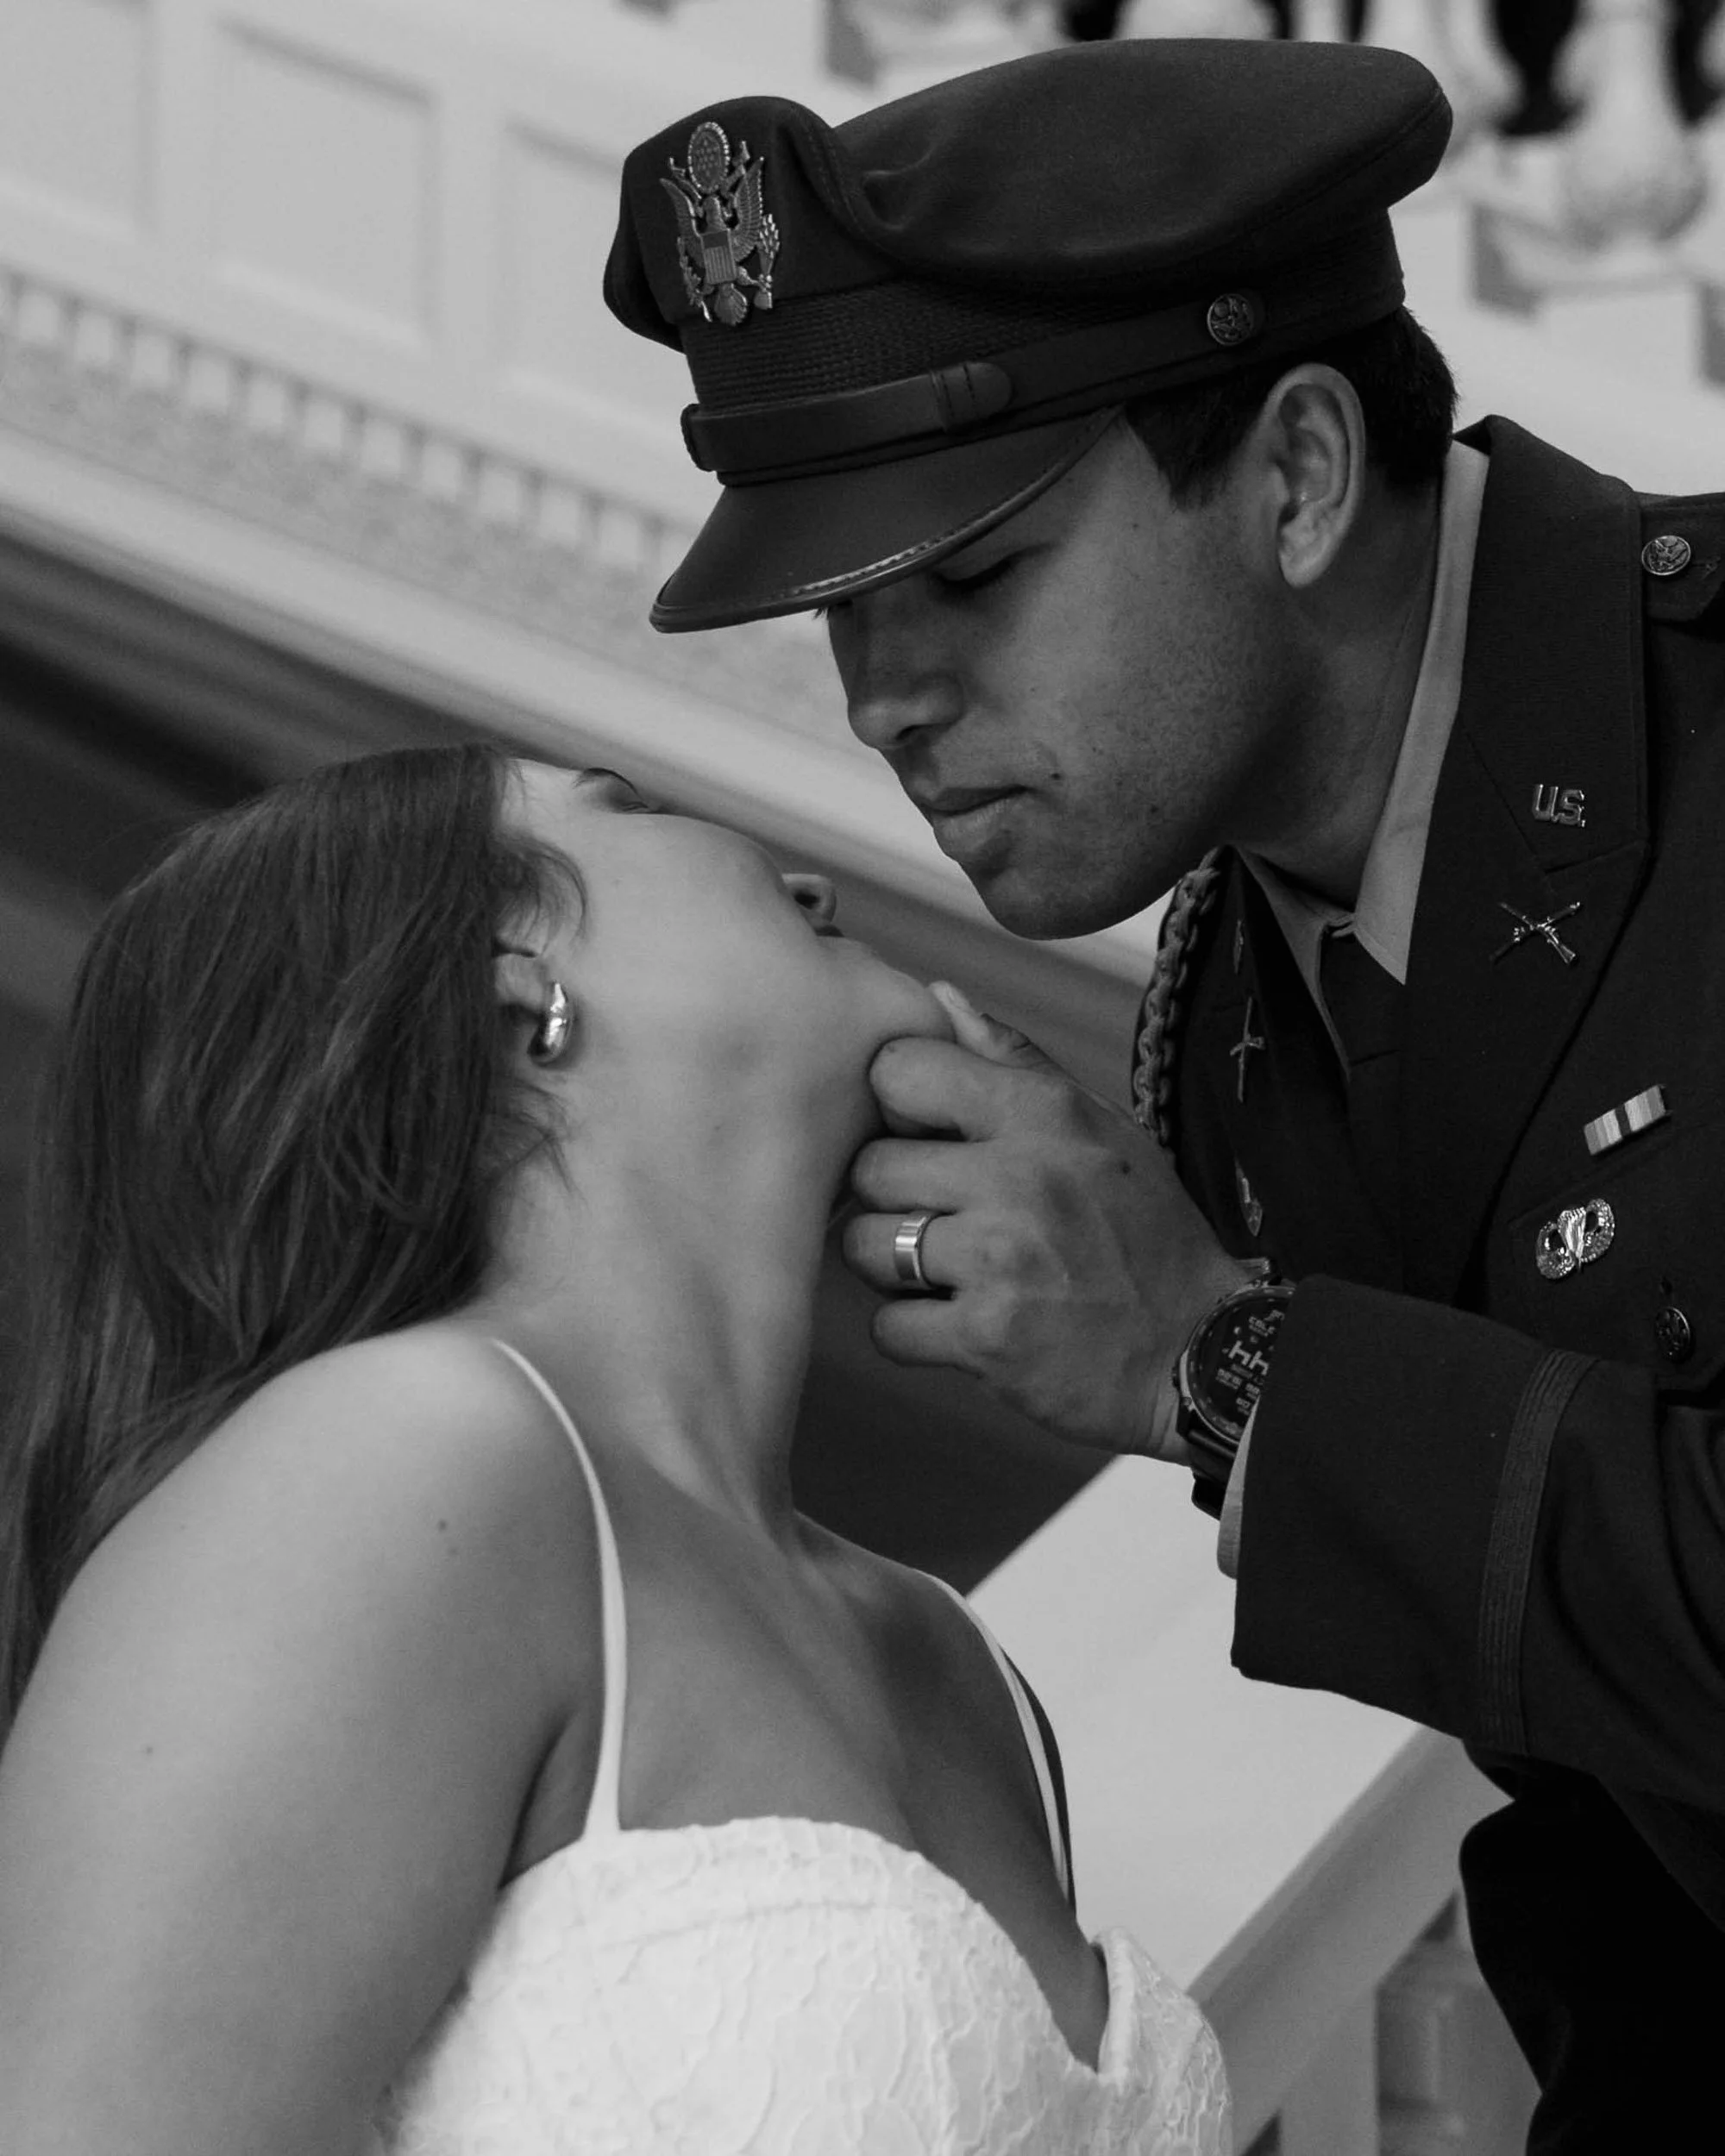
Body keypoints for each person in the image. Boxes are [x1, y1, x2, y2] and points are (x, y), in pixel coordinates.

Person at [603, 35, 1725, 2155]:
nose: (887, 705)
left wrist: (1220, 1360)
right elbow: (1597, 1809)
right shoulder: (1223, 1022)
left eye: (973, 576)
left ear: (1296, 475)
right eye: (843, 608)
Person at [0, 743, 1230, 2154]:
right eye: (627, 809)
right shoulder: (392, 1468)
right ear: (517, 999)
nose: (809, 872)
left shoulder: (953, 1660)